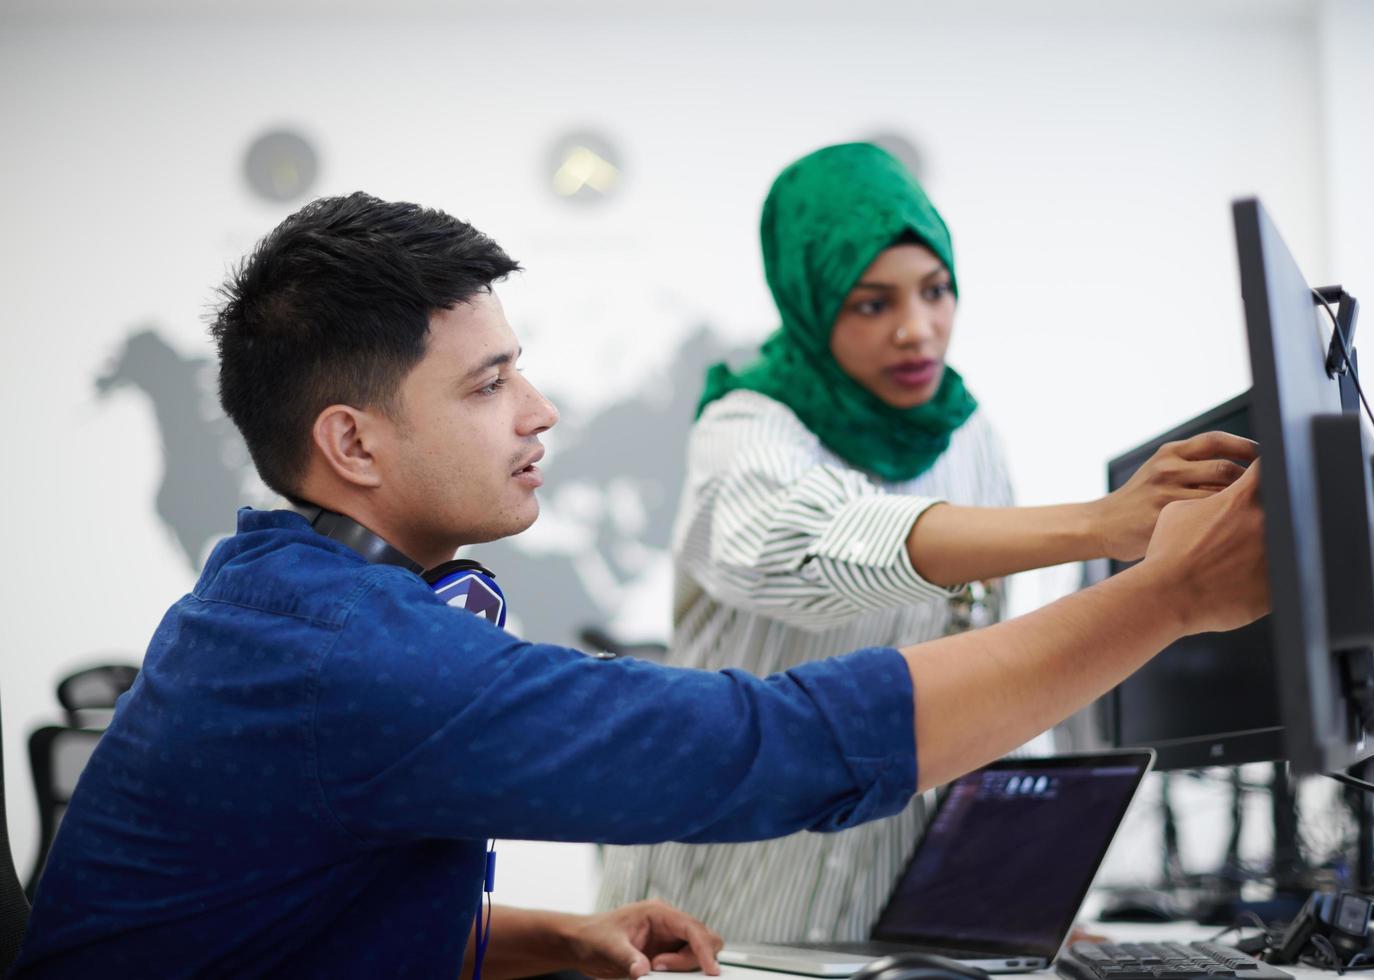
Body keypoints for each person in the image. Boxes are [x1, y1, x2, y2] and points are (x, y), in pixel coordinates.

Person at [12, 192, 1266, 978]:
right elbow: (767, 745)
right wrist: (1158, 595)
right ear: (353, 443)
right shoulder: (352, 653)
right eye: (488, 382)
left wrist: (545, 936)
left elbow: (279, 928)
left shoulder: (265, 599)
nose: (541, 409)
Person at [598, 142, 1257, 941]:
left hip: (881, 910)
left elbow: (982, 680)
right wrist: (1098, 522)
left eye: (936, 291)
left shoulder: (969, 437)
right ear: (809, 299)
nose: (918, 331)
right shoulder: (745, 425)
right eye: (872, 303)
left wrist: (1009, 896)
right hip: (719, 905)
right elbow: (814, 545)